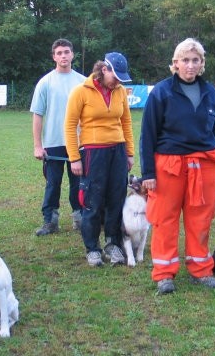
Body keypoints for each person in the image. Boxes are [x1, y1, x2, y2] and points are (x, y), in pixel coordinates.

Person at [140, 38, 215, 295]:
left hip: (203, 164)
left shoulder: (211, 92)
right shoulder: (161, 92)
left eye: (195, 60)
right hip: (169, 165)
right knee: (165, 220)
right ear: (175, 64)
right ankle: (164, 274)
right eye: (184, 60)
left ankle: (200, 269)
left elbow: (213, 127)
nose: (190, 65)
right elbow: (147, 135)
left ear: (202, 64)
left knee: (201, 218)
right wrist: (148, 174)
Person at [64, 52, 134, 268]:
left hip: (118, 151)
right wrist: (75, 157)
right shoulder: (80, 92)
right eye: (116, 76)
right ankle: (92, 248)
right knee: (93, 201)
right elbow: (69, 125)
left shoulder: (120, 91)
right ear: (104, 69)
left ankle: (112, 243)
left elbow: (126, 123)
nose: (118, 82)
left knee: (116, 198)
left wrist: (129, 153)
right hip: (93, 152)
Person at [30, 38, 86, 235]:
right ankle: (50, 221)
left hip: (78, 144)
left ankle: (80, 218)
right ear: (54, 56)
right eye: (59, 53)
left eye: (66, 52)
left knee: (78, 184)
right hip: (53, 144)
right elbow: (38, 115)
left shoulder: (83, 82)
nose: (63, 55)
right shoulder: (45, 82)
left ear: (72, 55)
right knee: (53, 184)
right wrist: (38, 146)